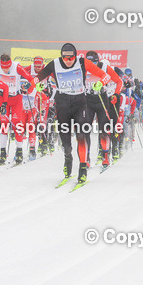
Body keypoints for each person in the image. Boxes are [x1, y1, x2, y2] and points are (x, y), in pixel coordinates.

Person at [35, 44, 116, 185]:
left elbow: (106, 76)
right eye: (65, 57)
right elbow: (37, 78)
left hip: (80, 102)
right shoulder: (55, 63)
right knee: (65, 141)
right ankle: (68, 158)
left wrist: (100, 83)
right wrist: (37, 84)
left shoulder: (82, 62)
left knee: (81, 135)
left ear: (75, 55)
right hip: (63, 103)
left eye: (71, 57)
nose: (68, 60)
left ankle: (83, 168)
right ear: (61, 56)